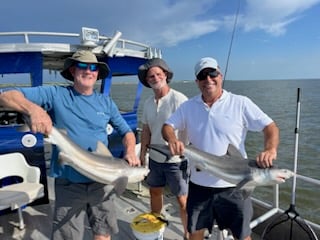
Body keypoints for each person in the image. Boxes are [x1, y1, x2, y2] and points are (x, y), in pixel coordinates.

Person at [0, 50, 140, 240]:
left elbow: (127, 132)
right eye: (83, 66)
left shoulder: (106, 103)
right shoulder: (56, 93)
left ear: (98, 73)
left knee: (103, 232)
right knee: (68, 236)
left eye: (93, 68)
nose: (89, 71)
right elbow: (6, 95)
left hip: (102, 183)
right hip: (69, 184)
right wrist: (34, 110)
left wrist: (131, 150)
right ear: (73, 70)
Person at [162, 57, 279, 240]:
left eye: (212, 73)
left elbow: (270, 127)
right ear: (197, 82)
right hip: (199, 185)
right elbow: (167, 127)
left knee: (242, 235)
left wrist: (270, 149)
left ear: (220, 76)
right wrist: (171, 139)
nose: (208, 79)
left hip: (235, 186)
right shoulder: (188, 107)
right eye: (202, 76)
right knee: (195, 233)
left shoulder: (240, 103)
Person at [138, 58, 190, 239]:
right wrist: (143, 152)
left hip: (176, 161)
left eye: (158, 74)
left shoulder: (179, 99)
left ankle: (188, 234)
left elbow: (191, 127)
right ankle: (156, 230)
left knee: (182, 200)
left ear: (166, 75)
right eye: (150, 76)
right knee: (154, 192)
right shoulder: (148, 103)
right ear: (147, 80)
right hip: (155, 158)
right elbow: (146, 130)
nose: (154, 78)